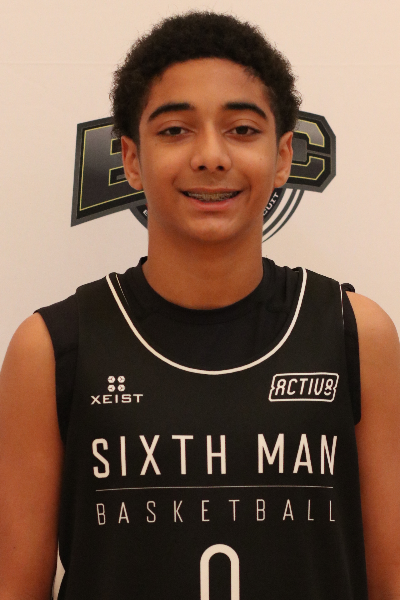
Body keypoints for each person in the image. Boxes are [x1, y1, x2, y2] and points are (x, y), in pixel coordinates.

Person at [0, 11, 399, 600]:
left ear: (283, 156)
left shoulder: (355, 333)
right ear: (130, 160)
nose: (211, 156)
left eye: (242, 129)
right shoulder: (52, 348)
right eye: (174, 130)